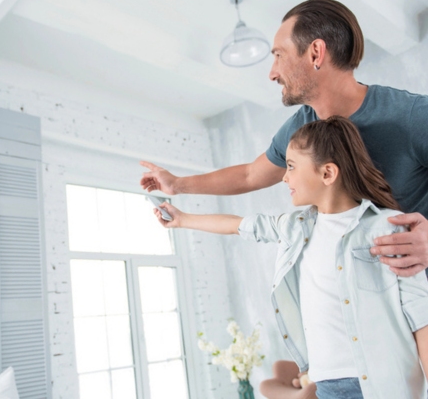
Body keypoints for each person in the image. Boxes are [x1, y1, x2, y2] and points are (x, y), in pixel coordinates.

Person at [140, 0, 428, 278]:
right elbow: (250, 175)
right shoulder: (301, 128)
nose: (272, 73)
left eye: (279, 55)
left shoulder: (412, 116)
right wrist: (177, 185)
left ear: (316, 53)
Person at [153, 116, 428, 399]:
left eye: (292, 166)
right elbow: (237, 225)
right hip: (326, 386)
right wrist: (183, 220)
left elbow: (421, 317)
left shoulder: (387, 227)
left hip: (385, 387)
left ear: (327, 174)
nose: (285, 177)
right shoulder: (294, 228)